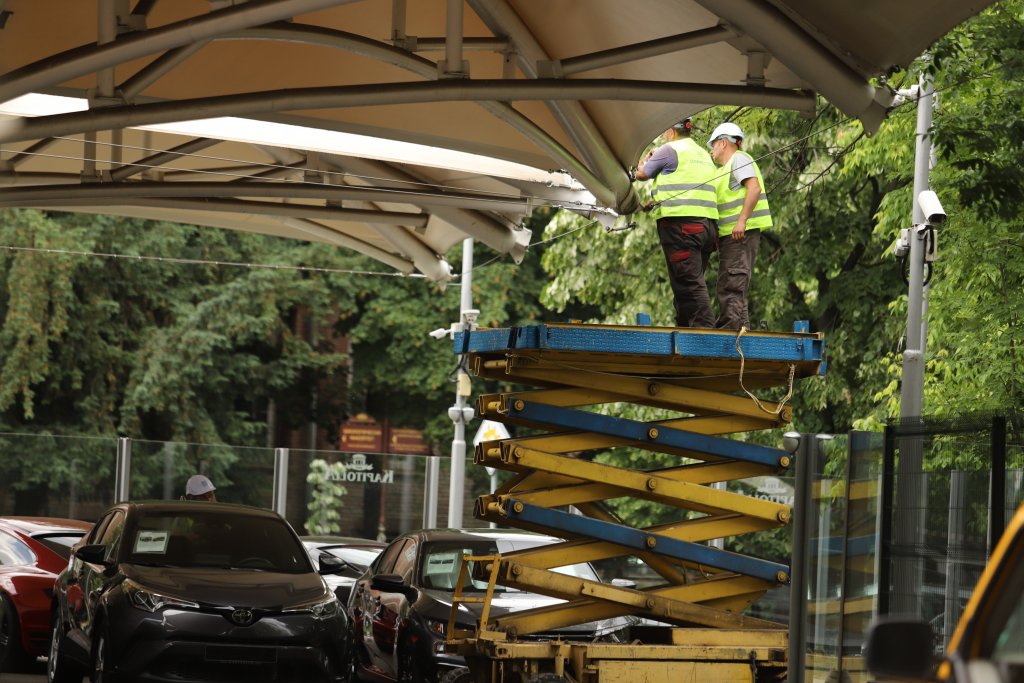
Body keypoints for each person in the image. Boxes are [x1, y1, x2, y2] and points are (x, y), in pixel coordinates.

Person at [634, 117, 719, 328]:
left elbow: (641, 174)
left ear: (671, 131)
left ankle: (706, 336)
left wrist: (642, 160)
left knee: (689, 284)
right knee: (685, 283)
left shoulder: (669, 149)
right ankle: (685, 329)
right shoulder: (703, 154)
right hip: (707, 227)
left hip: (682, 227)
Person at [707, 121, 773, 330]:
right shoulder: (723, 171)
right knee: (732, 282)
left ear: (724, 143)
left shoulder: (739, 159)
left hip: (740, 234)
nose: (711, 149)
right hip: (731, 237)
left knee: (732, 284)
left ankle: (730, 330)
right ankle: (740, 329)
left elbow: (754, 188)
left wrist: (741, 221)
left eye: (713, 144)